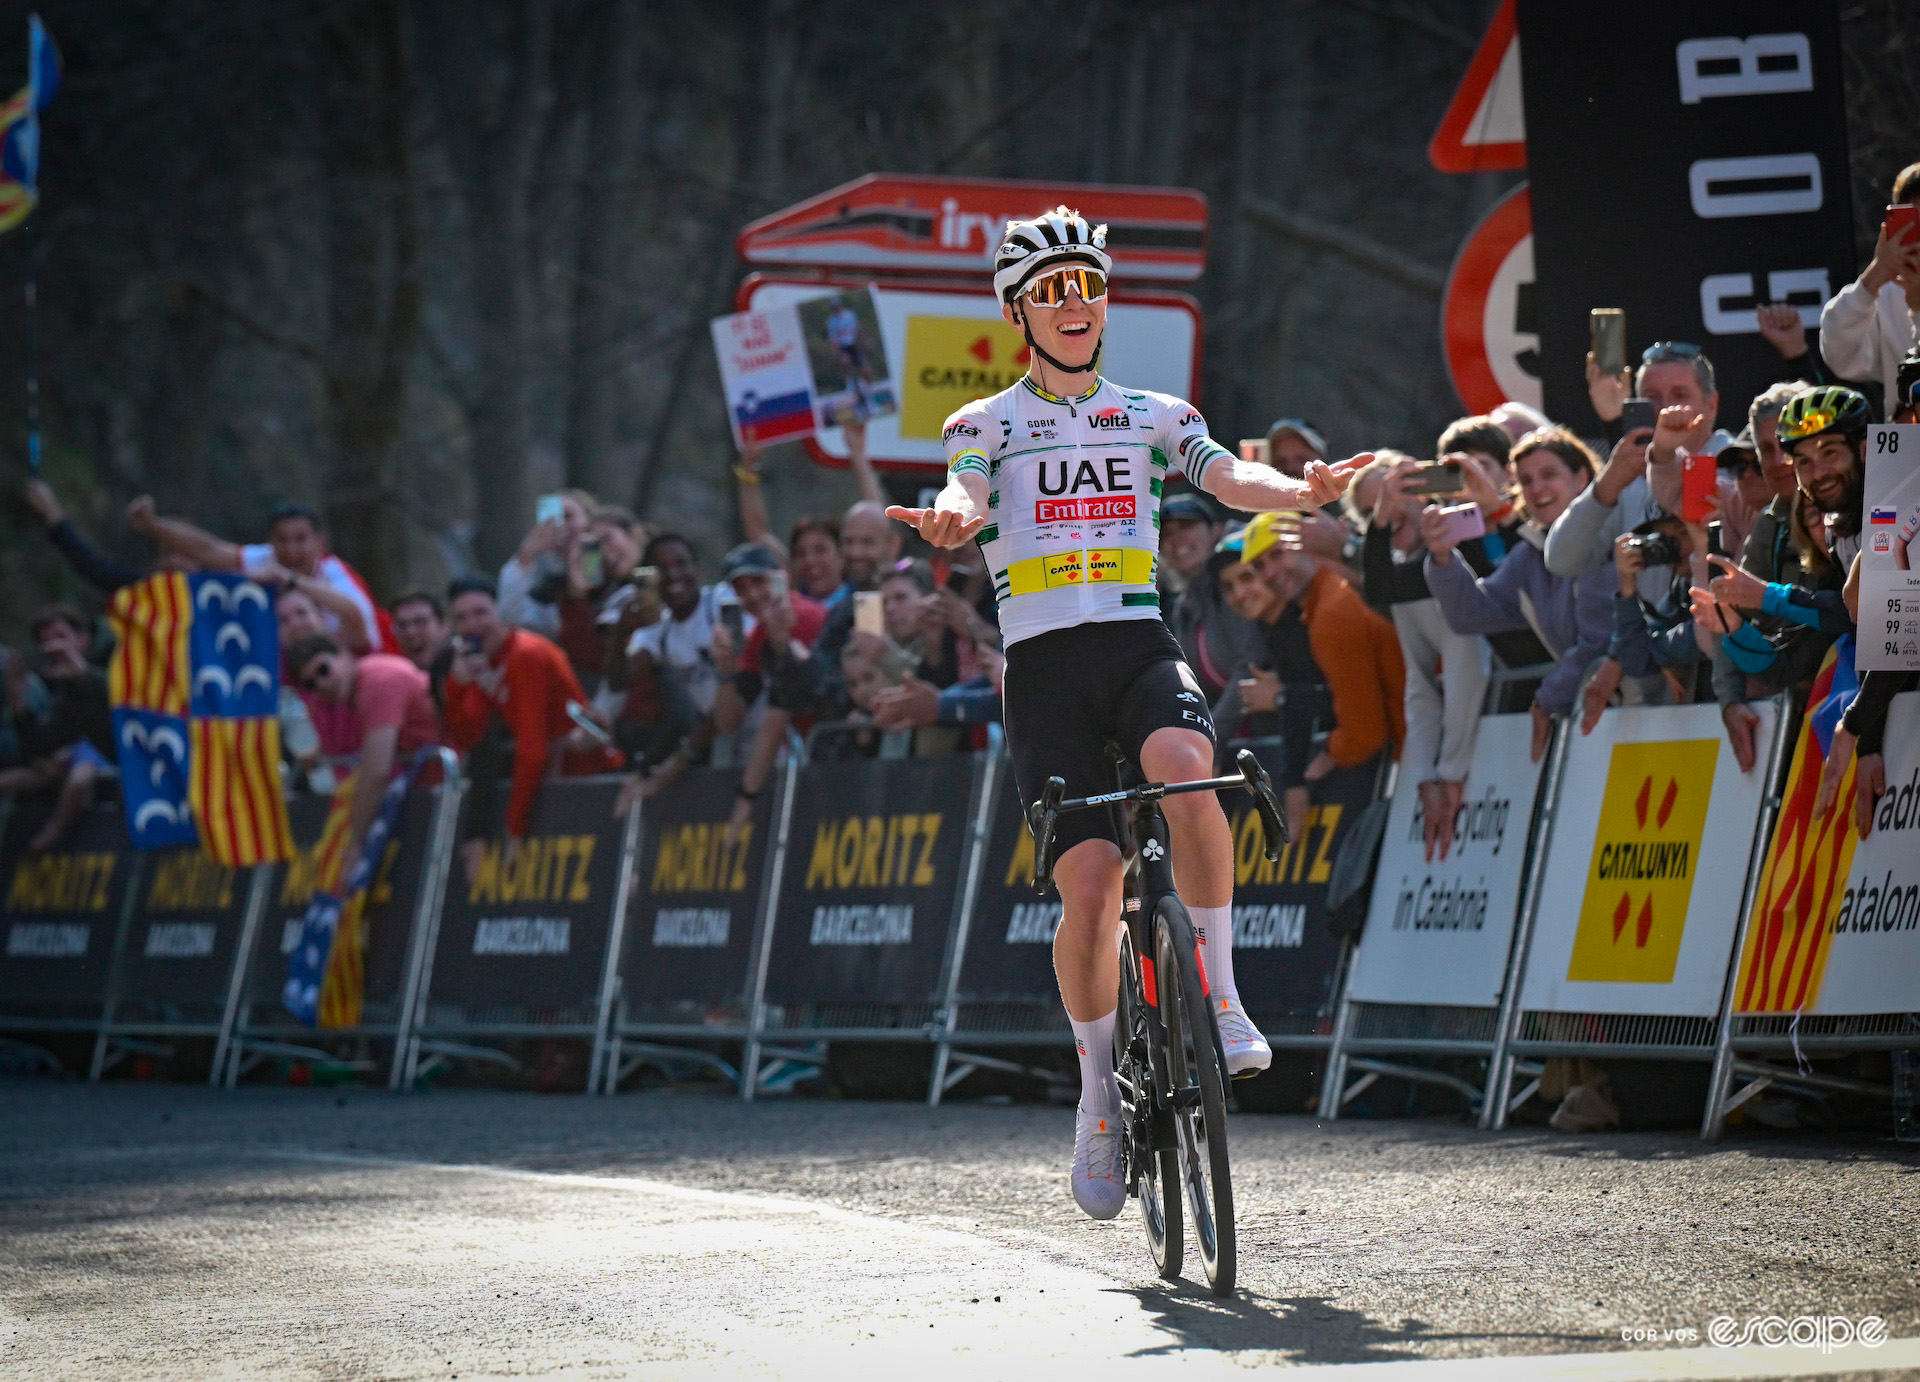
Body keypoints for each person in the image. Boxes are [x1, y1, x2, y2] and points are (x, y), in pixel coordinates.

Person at [886, 206, 1360, 1220]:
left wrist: (1298, 484)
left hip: (1136, 643)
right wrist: (953, 516)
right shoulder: (987, 420)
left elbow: (1229, 476)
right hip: (1047, 671)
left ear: (1105, 303)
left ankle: (1223, 993)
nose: (1072, 306)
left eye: (1086, 288)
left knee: (1192, 765)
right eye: (1050, 292)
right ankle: (1099, 1089)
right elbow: (965, 489)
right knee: (1093, 889)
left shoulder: (1154, 411)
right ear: (1021, 312)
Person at [1425, 428, 1615, 761]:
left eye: (1548, 474)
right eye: (1526, 481)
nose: (1537, 489)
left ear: (1582, 477)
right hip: (1598, 713)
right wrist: (1442, 557)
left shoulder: (1606, 533)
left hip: (1647, 703)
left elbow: (1597, 642)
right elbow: (1470, 614)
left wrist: (1546, 699)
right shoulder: (1528, 555)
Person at [440, 575, 618, 878]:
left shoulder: (526, 655)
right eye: (461, 617)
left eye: (481, 613)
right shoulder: (488, 661)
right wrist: (457, 686)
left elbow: (532, 749)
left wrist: (515, 830)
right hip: (555, 783)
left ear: (499, 611)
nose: (472, 625)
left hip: (589, 780)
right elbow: (470, 736)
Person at [132, 499, 392, 651]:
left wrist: (291, 581)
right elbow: (208, 550)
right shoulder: (265, 558)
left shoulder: (338, 577)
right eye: (282, 540)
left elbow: (358, 622)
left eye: (301, 539)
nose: (291, 550)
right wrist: (153, 525)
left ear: (319, 542)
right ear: (270, 541)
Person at [287, 634, 441, 866]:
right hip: (425, 783)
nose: (321, 684)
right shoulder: (357, 687)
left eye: (323, 670)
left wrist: (356, 843)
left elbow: (376, 773)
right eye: (310, 684)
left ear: (345, 655)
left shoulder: (378, 683)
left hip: (444, 780)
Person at [1819, 162, 1920, 410]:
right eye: (1915, 222)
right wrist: (1874, 277)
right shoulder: (1888, 291)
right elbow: (1840, 358)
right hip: (1906, 447)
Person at [19, 607, 116, 853]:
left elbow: (132, 702)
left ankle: (55, 831)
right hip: (94, 751)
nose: (54, 647)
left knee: (80, 776)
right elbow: (47, 740)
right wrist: (19, 704)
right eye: (46, 642)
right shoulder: (62, 686)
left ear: (83, 637)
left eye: (61, 637)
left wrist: (85, 675)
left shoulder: (116, 653)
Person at [1157, 494, 1257, 706]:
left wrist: (1214, 732)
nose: (1176, 539)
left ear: (1216, 531)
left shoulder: (1238, 585)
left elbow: (1250, 666)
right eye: (1165, 534)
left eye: (1187, 526)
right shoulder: (1183, 606)